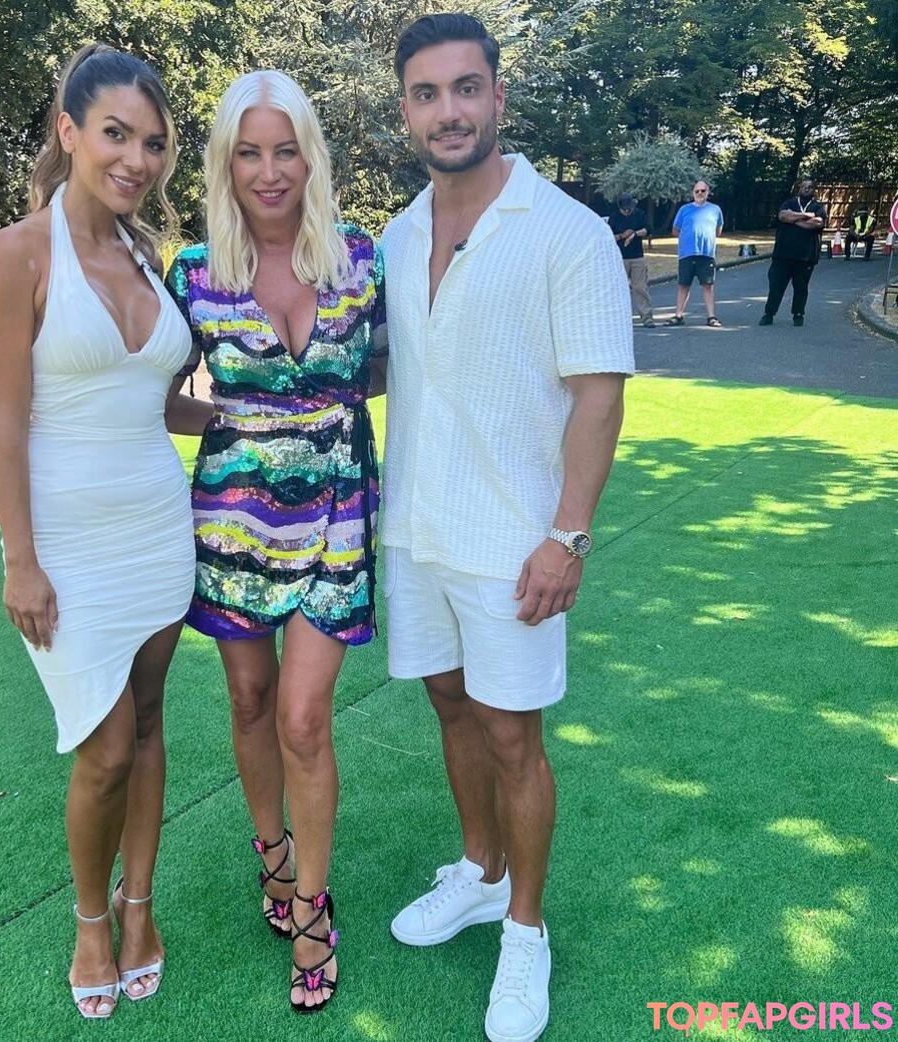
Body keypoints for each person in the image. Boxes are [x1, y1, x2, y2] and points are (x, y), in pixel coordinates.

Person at [381, 15, 634, 1042]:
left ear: (498, 96)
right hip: (415, 530)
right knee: (449, 707)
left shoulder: (567, 231)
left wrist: (567, 535)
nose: (449, 111)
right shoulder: (397, 234)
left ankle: (525, 931)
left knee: (513, 737)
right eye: (427, 93)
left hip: (516, 544)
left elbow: (600, 395)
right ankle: (480, 872)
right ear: (406, 110)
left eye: (466, 88)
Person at [0, 44, 210, 1019]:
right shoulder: (18, 255)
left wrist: (250, 415)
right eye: (117, 134)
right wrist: (20, 559)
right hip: (65, 549)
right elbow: (4, 426)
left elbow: (152, 402)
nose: (136, 159)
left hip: (157, 528)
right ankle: (89, 921)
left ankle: (139, 906)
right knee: (105, 746)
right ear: (69, 132)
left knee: (148, 724)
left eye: (152, 143)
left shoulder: (147, 257)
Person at [165, 69, 386, 1014]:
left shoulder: (362, 261)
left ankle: (310, 908)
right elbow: (153, 393)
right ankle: (273, 855)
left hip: (338, 515)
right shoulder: (194, 273)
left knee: (302, 716)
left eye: (285, 150)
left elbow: (392, 368)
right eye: (249, 152)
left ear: (311, 156)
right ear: (226, 162)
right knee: (251, 700)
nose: (269, 171)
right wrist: (236, 423)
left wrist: (323, 413)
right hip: (234, 521)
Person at [758, 179, 827, 327]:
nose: (807, 189)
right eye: (804, 187)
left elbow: (817, 223)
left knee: (801, 287)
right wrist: (806, 216)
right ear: (799, 189)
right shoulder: (789, 203)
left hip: (805, 256)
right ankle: (769, 313)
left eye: (810, 187)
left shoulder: (818, 207)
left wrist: (794, 219)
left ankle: (798, 314)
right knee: (776, 285)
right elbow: (783, 216)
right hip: (783, 254)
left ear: (814, 190)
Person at [667, 180, 723, 327]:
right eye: (697, 191)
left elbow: (718, 230)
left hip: (706, 253)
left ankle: (711, 317)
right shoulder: (684, 209)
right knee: (683, 284)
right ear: (693, 193)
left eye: (703, 190)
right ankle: (678, 315)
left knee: (708, 285)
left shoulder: (715, 209)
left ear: (708, 192)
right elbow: (675, 230)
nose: (700, 193)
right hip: (687, 253)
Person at [608, 192, 655, 326]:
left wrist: (634, 234)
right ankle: (618, 318)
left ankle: (647, 317)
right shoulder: (614, 218)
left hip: (637, 256)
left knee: (640, 287)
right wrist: (621, 236)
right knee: (618, 288)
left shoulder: (639, 214)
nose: (627, 211)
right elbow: (609, 237)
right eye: (624, 209)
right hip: (620, 258)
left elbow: (647, 229)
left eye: (629, 208)